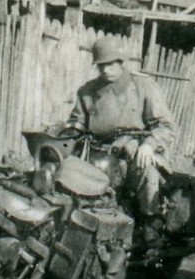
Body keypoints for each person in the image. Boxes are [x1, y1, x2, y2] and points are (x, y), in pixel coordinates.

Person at [65, 36, 175, 218]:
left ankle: (150, 227)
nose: (106, 70)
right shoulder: (87, 91)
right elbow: (77, 124)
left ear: (121, 62)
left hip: (135, 149)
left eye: (110, 64)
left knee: (148, 175)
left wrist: (149, 145)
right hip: (97, 151)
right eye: (101, 66)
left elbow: (165, 126)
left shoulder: (142, 86)